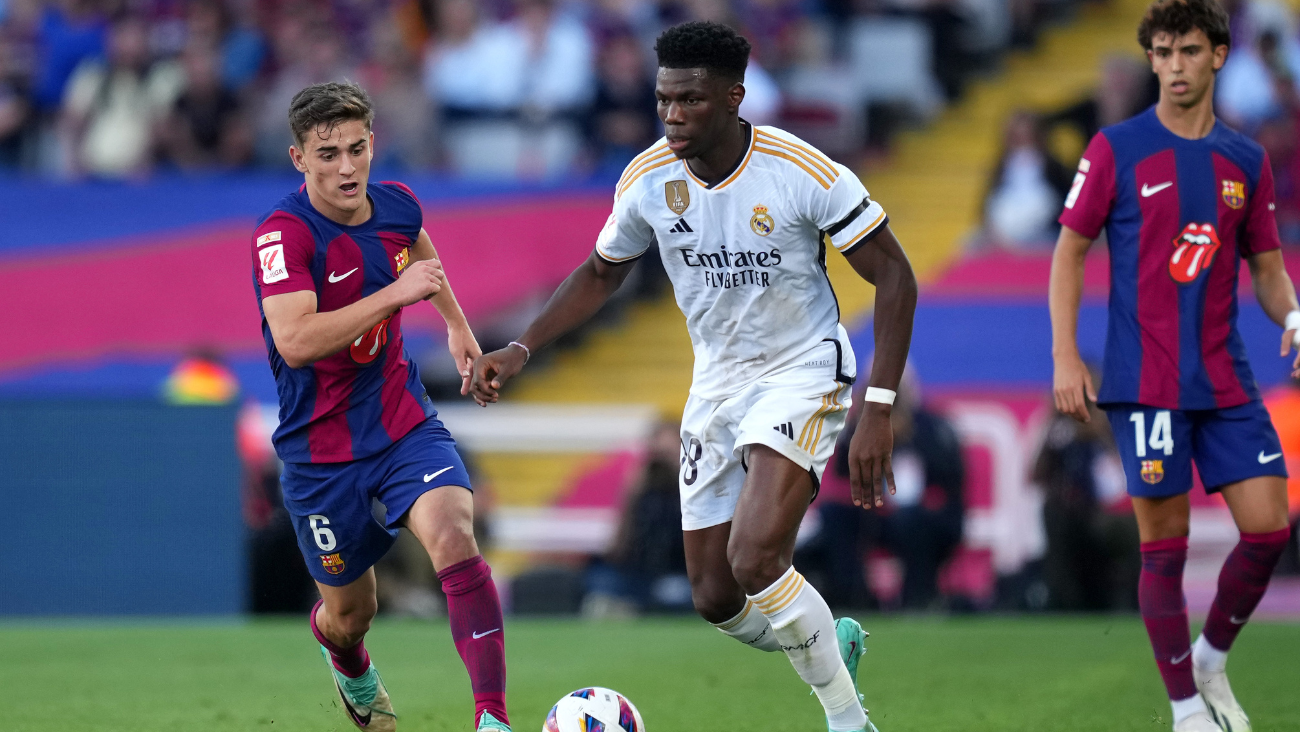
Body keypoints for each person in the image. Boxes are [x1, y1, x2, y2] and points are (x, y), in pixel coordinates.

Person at [471, 21, 917, 732]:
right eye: (664, 100)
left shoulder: (801, 171)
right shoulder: (648, 179)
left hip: (801, 369)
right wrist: (522, 349)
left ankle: (848, 720)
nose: (673, 115)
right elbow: (599, 272)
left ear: (735, 97)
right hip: (716, 383)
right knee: (714, 593)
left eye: (691, 100)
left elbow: (894, 274)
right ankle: (830, 643)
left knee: (755, 556)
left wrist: (881, 408)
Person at [1050, 1, 1298, 730]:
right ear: (1151, 60)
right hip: (1145, 381)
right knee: (1165, 546)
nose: (1174, 66)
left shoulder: (1245, 161)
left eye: (1188, 50)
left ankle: (1212, 657)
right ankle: (1186, 708)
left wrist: (1291, 313)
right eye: (1162, 52)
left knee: (1269, 528)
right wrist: (1068, 356)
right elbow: (1068, 252)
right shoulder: (1115, 148)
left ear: (1219, 56)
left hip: (1226, 377)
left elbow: (1269, 268)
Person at [251, 82, 511, 732]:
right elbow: (297, 340)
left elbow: (419, 249)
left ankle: (493, 719)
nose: (346, 167)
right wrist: (396, 297)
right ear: (298, 159)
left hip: (400, 424)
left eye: (358, 148)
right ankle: (346, 658)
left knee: (453, 534)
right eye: (328, 153)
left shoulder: (396, 205)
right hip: (321, 454)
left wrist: (455, 326)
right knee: (350, 616)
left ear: (374, 143)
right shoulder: (282, 238)